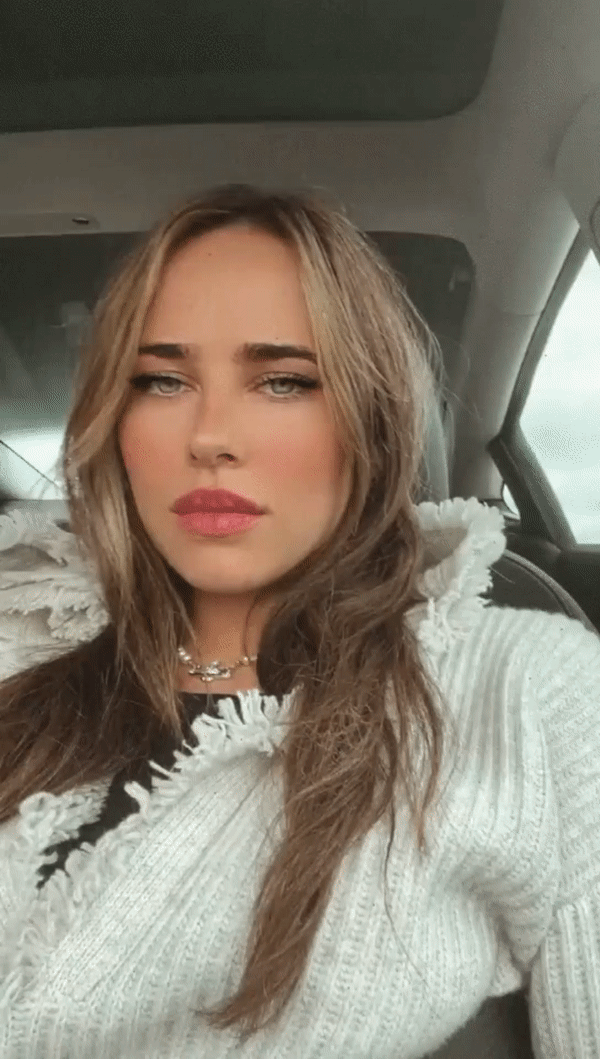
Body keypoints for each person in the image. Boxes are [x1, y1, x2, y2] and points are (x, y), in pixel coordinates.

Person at [0, 184, 599, 1059]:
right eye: (162, 379)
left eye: (283, 380)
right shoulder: (19, 637)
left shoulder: (531, 688)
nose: (210, 435)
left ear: (370, 418)